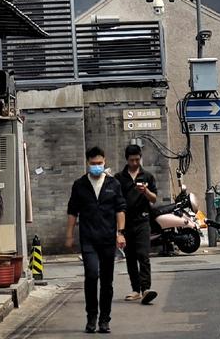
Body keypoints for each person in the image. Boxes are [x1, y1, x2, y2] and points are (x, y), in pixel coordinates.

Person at [65, 146, 127, 334]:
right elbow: (72, 212)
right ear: (87, 163)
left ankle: (104, 320)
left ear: (105, 161)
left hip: (108, 239)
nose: (97, 166)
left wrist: (120, 232)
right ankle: (91, 317)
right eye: (93, 163)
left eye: (99, 163)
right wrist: (69, 235)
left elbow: (120, 209)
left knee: (107, 281)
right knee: (92, 275)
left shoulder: (113, 184)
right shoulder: (79, 185)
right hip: (88, 239)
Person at [119, 143, 158, 305]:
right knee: (130, 257)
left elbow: (154, 199)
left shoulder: (147, 176)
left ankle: (146, 288)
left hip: (142, 220)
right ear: (127, 160)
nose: (135, 163)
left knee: (143, 255)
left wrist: (145, 191)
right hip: (126, 222)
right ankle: (135, 289)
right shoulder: (119, 178)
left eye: (137, 159)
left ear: (140, 158)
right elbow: (116, 201)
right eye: (132, 160)